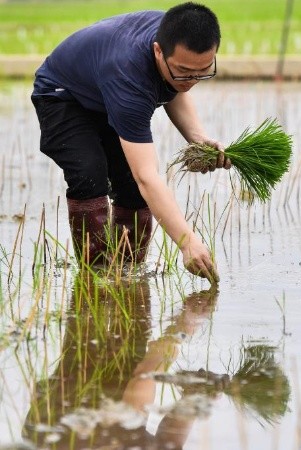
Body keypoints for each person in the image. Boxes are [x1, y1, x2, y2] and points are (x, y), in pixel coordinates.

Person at [31, 2, 231, 281]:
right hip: (63, 95)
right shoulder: (128, 76)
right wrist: (187, 243)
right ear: (157, 51)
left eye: (204, 71)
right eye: (185, 70)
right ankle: (98, 275)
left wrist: (198, 138)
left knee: (132, 191)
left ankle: (128, 273)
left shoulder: (177, 33)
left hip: (104, 92)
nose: (193, 80)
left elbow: (177, 85)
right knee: (89, 174)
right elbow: (147, 176)